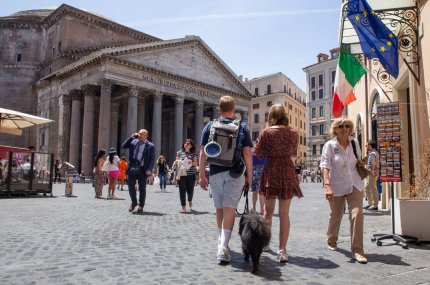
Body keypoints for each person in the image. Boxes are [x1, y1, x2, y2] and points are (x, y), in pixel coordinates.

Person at [199, 95, 253, 265]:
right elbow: (247, 154)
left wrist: (201, 175)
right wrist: (250, 176)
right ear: (234, 109)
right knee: (230, 208)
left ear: (219, 108)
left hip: (214, 171)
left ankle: (220, 241)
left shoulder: (210, 126)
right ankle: (223, 247)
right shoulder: (241, 126)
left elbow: (202, 152)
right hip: (235, 172)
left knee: (220, 208)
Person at [254, 104, 303, 263]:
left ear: (271, 116)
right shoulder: (293, 133)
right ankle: (282, 250)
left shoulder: (266, 132)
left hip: (271, 170)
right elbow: (294, 153)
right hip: (287, 170)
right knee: (284, 213)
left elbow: (259, 153)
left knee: (267, 212)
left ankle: (266, 244)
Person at [320, 118, 367, 264]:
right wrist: (327, 186)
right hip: (336, 184)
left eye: (347, 126)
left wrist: (363, 163)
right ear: (335, 129)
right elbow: (325, 166)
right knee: (336, 214)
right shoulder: (329, 145)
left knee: (357, 215)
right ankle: (331, 238)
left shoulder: (355, 142)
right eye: (340, 126)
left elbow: (357, 161)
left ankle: (358, 250)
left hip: (354, 183)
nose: (344, 128)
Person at [122, 129, 155, 213]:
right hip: (133, 167)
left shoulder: (151, 146)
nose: (139, 135)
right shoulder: (133, 142)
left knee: (142, 187)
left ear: (146, 136)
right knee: (130, 185)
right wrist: (131, 137)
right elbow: (124, 146)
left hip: (143, 168)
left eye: (141, 134)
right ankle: (134, 202)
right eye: (139, 133)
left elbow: (152, 159)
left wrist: (150, 169)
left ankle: (141, 205)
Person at [177, 139, 198, 213]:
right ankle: (183, 207)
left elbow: (196, 164)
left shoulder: (193, 154)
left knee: (190, 191)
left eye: (188, 143)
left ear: (191, 146)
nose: (186, 144)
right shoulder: (179, 153)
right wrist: (181, 162)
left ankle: (190, 200)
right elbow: (177, 163)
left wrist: (191, 162)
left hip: (190, 175)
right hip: (182, 174)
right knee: (182, 191)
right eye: (185, 143)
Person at [364, 140, 380, 210]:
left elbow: (373, 162)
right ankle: (370, 203)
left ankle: (375, 205)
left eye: (367, 145)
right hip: (370, 173)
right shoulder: (372, 152)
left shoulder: (372, 153)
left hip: (372, 173)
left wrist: (373, 171)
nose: (366, 146)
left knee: (373, 189)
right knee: (367, 188)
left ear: (370, 146)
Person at [251, 148, 266, 215]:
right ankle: (262, 209)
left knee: (255, 191)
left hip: (254, 171)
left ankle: (254, 208)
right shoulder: (266, 152)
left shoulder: (253, 153)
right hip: (264, 171)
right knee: (262, 191)